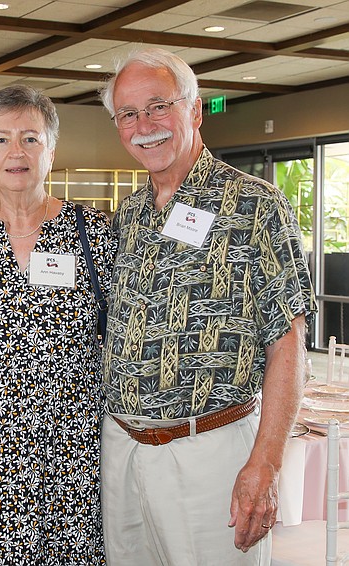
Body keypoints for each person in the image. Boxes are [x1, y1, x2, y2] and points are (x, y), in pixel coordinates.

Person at [98, 47, 316, 565]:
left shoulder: (255, 203)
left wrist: (266, 461)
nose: (143, 125)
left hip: (209, 451)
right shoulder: (128, 214)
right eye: (128, 114)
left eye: (158, 106)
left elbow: (288, 340)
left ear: (194, 111)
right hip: (123, 449)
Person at [0, 85, 114, 564]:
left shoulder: (94, 233)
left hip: (71, 446)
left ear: (51, 152)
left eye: (30, 138)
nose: (16, 151)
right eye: (1, 140)